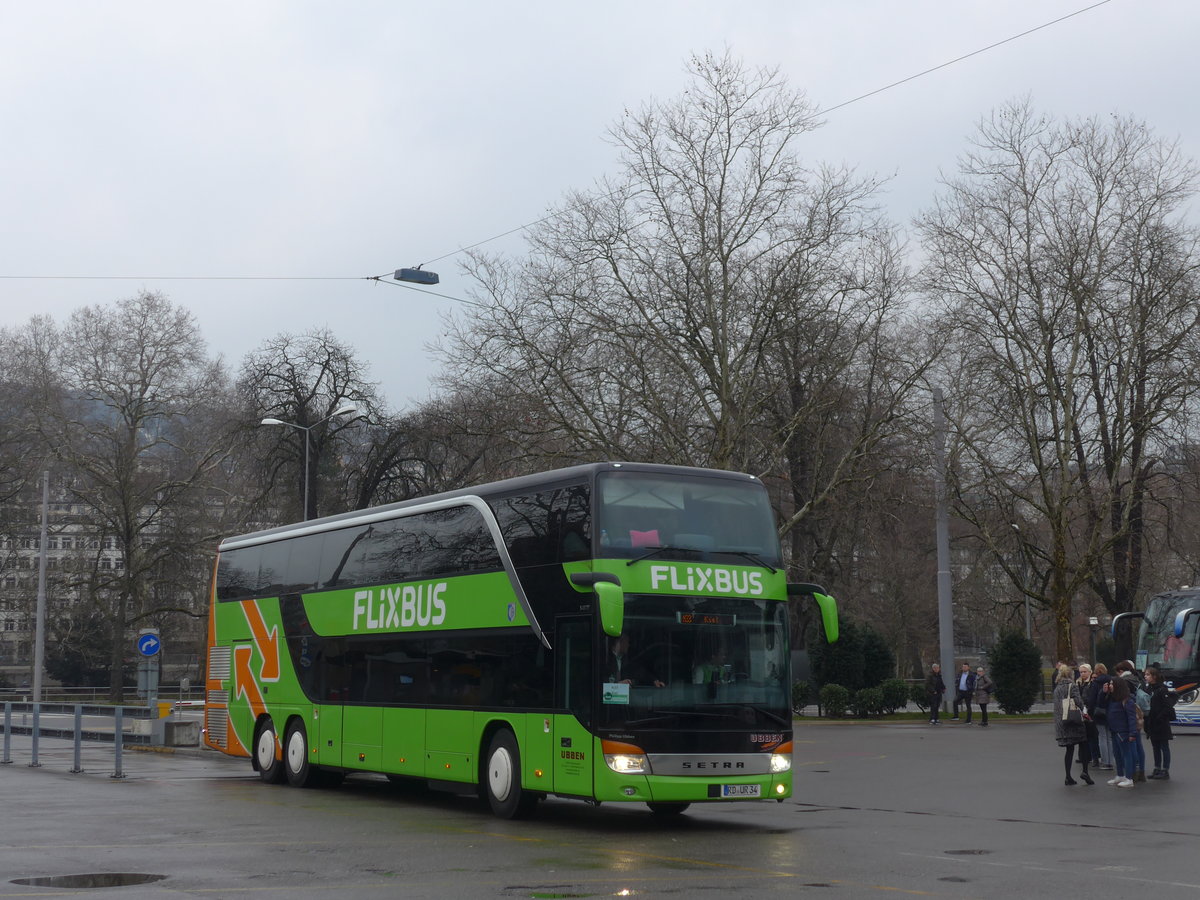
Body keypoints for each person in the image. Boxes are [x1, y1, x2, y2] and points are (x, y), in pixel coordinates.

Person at [1053, 663, 1093, 785]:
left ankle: (1068, 776)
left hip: (1062, 722)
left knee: (1069, 750)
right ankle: (1085, 771)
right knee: (1083, 744)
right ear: (1070, 674)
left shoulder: (1057, 688)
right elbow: (1078, 702)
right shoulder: (1072, 686)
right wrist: (1085, 712)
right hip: (1074, 720)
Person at [1143, 664, 1177, 779]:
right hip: (1151, 722)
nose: (1145, 677)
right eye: (1145, 675)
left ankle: (1165, 770)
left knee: (1164, 746)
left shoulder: (1162, 689)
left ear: (1154, 676)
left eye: (1148, 675)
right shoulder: (1148, 689)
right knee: (1155, 746)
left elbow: (1167, 707)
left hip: (1161, 723)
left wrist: (1159, 717)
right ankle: (1157, 768)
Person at [1115, 660, 1147, 781]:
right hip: (1138, 712)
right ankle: (1141, 771)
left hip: (1130, 713)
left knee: (1132, 745)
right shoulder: (1136, 678)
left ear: (1121, 671)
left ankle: (1133, 772)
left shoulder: (1124, 681)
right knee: (1138, 744)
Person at [1104, 674, 1138, 788]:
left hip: (1123, 731)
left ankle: (1129, 778)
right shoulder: (1111, 698)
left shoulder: (1127, 701)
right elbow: (1100, 703)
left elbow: (1132, 718)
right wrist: (1103, 692)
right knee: (1117, 754)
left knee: (1126, 754)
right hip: (1114, 730)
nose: (1110, 686)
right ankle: (1120, 775)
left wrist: (1132, 733)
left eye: (1112, 684)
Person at [1086, 662, 1113, 769]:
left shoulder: (1096, 683)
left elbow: (1092, 700)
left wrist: (1089, 712)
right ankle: (1110, 760)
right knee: (1109, 738)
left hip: (1099, 712)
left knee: (1101, 737)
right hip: (1110, 711)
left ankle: (1105, 761)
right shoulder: (1111, 681)